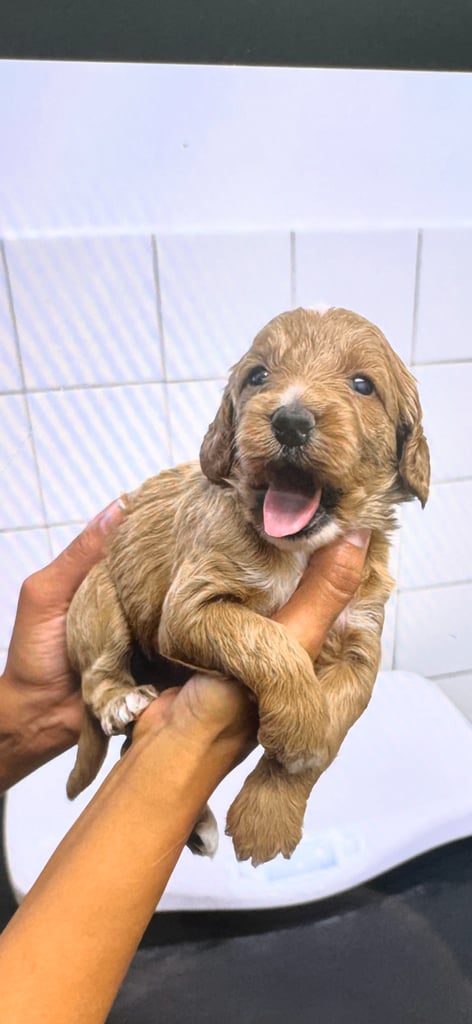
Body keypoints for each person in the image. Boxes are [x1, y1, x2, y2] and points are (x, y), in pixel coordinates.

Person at [0, 498, 370, 1024]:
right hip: (143, 626)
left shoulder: (361, 547)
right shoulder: (224, 517)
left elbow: (351, 672)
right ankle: (108, 689)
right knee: (110, 604)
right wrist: (183, 740)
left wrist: (288, 778)